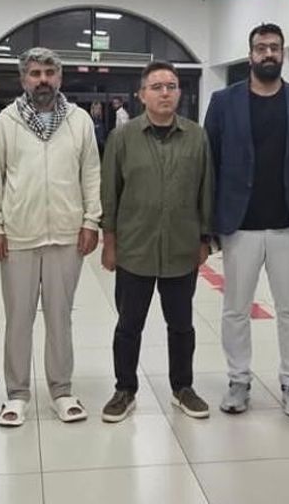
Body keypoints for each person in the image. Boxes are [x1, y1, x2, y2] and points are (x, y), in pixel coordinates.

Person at [204, 23, 289, 418]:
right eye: (260, 47)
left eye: (274, 47)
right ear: (250, 54)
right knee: (236, 309)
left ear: (283, 53)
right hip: (240, 225)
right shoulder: (224, 101)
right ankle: (238, 381)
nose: (268, 53)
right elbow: (210, 162)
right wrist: (210, 224)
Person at [0, 48, 102, 427]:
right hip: (18, 236)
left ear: (60, 78)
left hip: (66, 235)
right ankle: (16, 394)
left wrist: (91, 221)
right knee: (18, 318)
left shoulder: (79, 121)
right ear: (24, 79)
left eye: (49, 72)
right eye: (35, 73)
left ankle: (62, 391)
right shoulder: (7, 121)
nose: (43, 79)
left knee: (60, 318)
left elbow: (91, 174)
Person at [100, 62, 213, 422]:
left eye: (172, 86)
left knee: (181, 325)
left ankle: (183, 388)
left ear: (179, 92)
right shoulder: (122, 138)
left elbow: (205, 189)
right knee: (128, 326)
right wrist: (109, 242)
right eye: (157, 87)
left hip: (181, 249)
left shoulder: (196, 136)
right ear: (142, 95)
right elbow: (110, 193)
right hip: (135, 249)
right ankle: (124, 389)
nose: (165, 93)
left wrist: (204, 239)